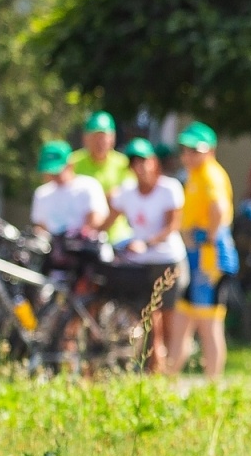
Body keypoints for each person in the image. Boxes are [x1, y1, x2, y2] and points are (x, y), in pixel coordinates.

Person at [109, 138, 188, 372]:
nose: (140, 167)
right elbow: (108, 219)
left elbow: (172, 226)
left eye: (143, 161)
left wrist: (145, 243)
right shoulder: (127, 192)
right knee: (149, 315)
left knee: (169, 316)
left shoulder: (169, 188)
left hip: (168, 260)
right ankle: (153, 364)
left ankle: (170, 367)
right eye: (134, 162)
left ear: (154, 162)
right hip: (140, 264)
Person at [166, 122, 234, 378]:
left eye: (195, 150)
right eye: (185, 150)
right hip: (195, 258)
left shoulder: (211, 174)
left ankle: (212, 384)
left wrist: (208, 239)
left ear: (210, 151)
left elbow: (218, 208)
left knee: (209, 323)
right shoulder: (195, 174)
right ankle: (169, 376)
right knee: (182, 319)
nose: (188, 156)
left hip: (209, 259)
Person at [69, 111, 132, 242]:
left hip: (117, 235)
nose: (100, 142)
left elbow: (129, 197)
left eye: (103, 138)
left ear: (112, 138)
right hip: (81, 235)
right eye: (95, 137)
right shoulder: (73, 162)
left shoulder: (123, 164)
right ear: (85, 138)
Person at [30, 140, 109, 238]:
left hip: (86, 244)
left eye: (57, 171)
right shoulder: (42, 193)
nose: (54, 175)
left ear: (70, 165)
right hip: (54, 246)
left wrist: (79, 236)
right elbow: (41, 226)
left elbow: (97, 219)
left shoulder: (88, 185)